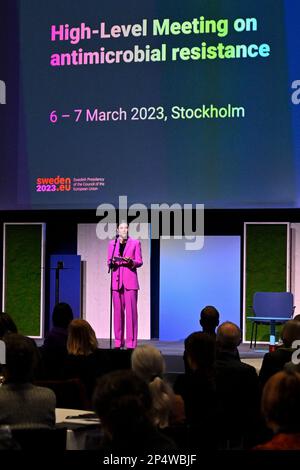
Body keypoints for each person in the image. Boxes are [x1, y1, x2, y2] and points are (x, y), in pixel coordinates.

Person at [107, 222, 143, 349]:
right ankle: (118, 341)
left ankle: (131, 343)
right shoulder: (112, 244)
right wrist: (111, 263)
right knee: (117, 313)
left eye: (126, 228)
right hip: (116, 282)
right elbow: (108, 260)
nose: (124, 230)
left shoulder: (135, 243)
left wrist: (131, 261)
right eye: (121, 228)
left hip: (130, 282)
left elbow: (139, 261)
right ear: (117, 230)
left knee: (131, 313)